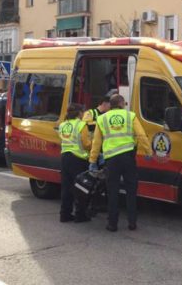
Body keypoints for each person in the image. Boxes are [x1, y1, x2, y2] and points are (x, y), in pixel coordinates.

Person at [89, 94, 153, 232]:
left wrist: (92, 160)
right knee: (131, 191)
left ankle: (112, 224)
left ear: (111, 105)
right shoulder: (130, 116)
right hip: (128, 157)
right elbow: (141, 135)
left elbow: (96, 142)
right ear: (122, 103)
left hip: (111, 159)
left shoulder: (102, 119)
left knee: (112, 192)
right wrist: (148, 151)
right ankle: (132, 223)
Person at [58, 103, 92, 223]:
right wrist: (94, 144)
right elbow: (86, 144)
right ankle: (80, 215)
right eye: (83, 112)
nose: (84, 114)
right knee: (80, 188)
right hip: (78, 159)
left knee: (66, 188)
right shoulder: (81, 125)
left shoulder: (62, 125)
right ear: (79, 113)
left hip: (64, 157)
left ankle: (65, 214)